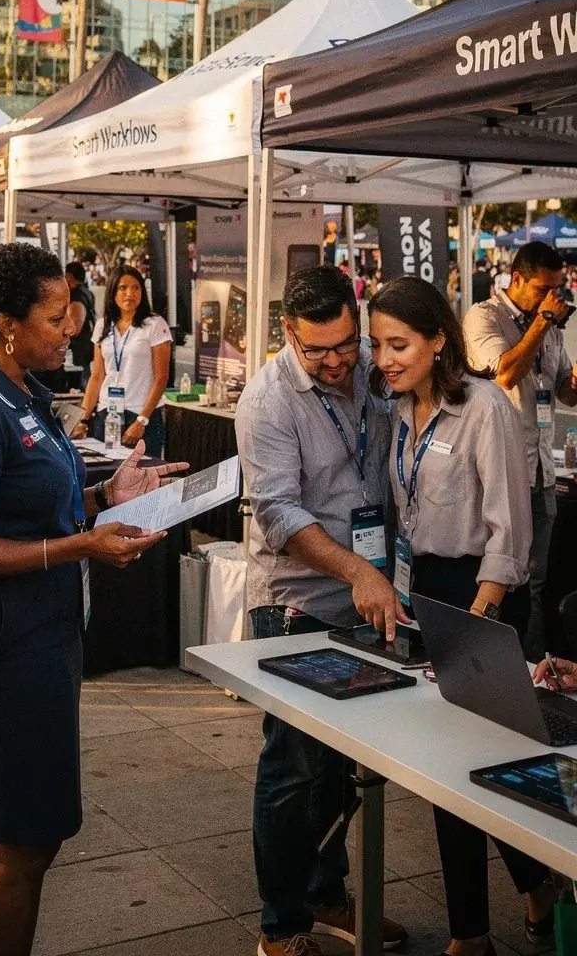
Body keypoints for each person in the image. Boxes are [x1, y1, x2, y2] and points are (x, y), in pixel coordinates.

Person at [0, 243, 186, 956]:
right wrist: (79, 547)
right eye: (55, 315)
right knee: (26, 842)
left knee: (8, 831)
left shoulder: (22, 392)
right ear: (7, 323)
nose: (71, 327)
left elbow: (35, 508)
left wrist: (107, 496)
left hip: (31, 635)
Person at [369, 276, 555, 956]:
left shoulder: (484, 408)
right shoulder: (400, 410)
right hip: (431, 595)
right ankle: (533, 889)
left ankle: (469, 935)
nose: (384, 359)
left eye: (399, 344)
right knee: (459, 767)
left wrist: (475, 621)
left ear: (439, 339)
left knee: (467, 768)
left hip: (485, 597)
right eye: (378, 346)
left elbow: (512, 532)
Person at [236, 265, 408, 956]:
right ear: (288, 334)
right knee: (294, 769)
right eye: (319, 352)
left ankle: (328, 894)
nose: (337, 363)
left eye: (346, 344)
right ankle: (281, 924)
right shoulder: (267, 401)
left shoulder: (371, 366)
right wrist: (357, 569)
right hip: (296, 605)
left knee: (342, 767)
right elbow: (277, 512)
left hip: (366, 596)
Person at [463, 240, 577, 661]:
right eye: (543, 289)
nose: (551, 298)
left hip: (542, 472)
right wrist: (543, 321)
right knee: (504, 578)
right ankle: (505, 665)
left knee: (538, 581)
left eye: (556, 289)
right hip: (501, 472)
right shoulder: (483, 317)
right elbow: (505, 374)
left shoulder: (548, 326)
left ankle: (533, 666)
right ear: (516, 279)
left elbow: (565, 392)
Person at [71, 265, 173, 458]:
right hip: (106, 414)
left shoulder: (155, 324)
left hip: (141, 415)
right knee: (106, 476)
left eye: (136, 288)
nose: (130, 293)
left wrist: (142, 420)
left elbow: (161, 377)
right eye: (123, 288)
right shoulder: (103, 325)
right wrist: (83, 418)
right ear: (113, 291)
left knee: (143, 479)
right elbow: (97, 376)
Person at [65, 260, 95, 387]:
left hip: (78, 354)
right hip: (84, 350)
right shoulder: (87, 292)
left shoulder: (77, 296)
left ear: (69, 277)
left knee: (79, 386)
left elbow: (74, 328)